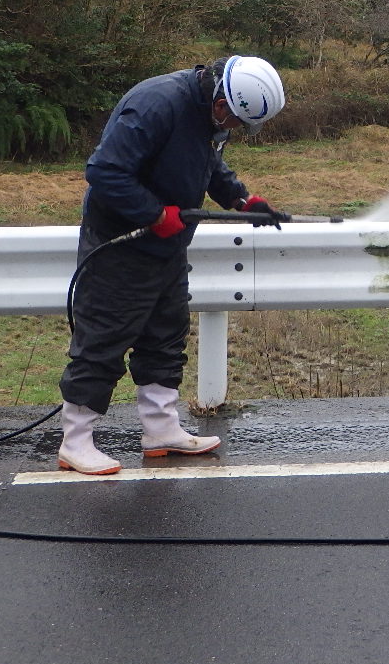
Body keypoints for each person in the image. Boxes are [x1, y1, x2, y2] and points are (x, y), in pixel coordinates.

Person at [57, 55, 286, 475]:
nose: (234, 129)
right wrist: (155, 214)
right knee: (104, 338)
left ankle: (161, 429)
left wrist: (240, 200)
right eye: (235, 120)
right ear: (222, 100)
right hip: (119, 244)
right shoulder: (156, 103)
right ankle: (76, 441)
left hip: (167, 245)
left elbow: (206, 164)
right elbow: (105, 171)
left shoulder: (209, 115)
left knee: (165, 335)